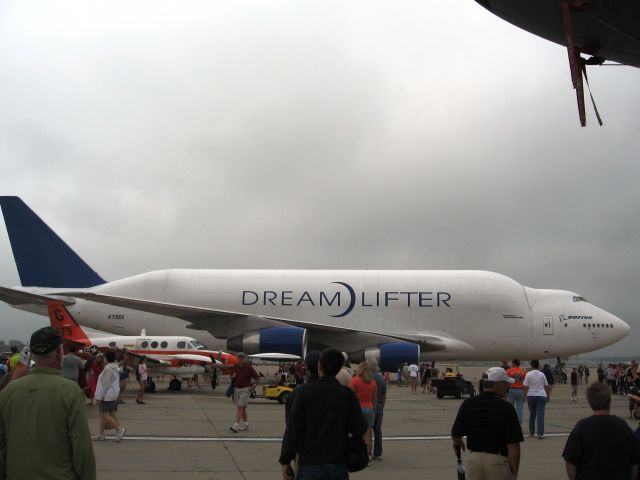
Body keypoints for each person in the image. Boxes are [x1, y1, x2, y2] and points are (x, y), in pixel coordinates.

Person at [0, 327, 96, 479]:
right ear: (59, 353)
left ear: (32, 353)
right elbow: (81, 448)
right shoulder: (70, 391)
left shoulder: (8, 391)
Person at [280, 348, 367, 480]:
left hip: (309, 463)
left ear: (320, 366)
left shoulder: (302, 393)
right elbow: (360, 427)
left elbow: (293, 429)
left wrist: (286, 459)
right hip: (338, 463)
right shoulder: (347, 394)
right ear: (339, 369)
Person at [451, 367, 523, 480]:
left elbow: (455, 433)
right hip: (498, 461)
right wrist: (514, 472)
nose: (507, 386)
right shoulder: (507, 407)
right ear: (497, 384)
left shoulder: (468, 403)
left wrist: (457, 442)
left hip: (474, 461)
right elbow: (513, 445)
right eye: (505, 383)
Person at [562, 383, 639, 480]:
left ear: (590, 403)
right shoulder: (623, 426)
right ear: (609, 402)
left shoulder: (582, 427)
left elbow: (570, 462)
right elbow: (635, 461)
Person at [94, 350, 126, 442]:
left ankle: (119, 429)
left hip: (107, 396)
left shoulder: (108, 369)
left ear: (106, 359)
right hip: (112, 395)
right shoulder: (114, 368)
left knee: (104, 415)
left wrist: (99, 397)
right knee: (103, 415)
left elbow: (104, 385)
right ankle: (101, 434)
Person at [349, 362, 377, 461]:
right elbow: (374, 399)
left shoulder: (354, 381)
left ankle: (357, 456)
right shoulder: (373, 382)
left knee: (356, 433)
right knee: (368, 435)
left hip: (358, 409)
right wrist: (374, 410)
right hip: (369, 408)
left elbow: (350, 397)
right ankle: (368, 457)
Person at [229, 352, 259, 433]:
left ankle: (236, 425)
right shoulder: (235, 367)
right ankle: (246, 424)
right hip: (236, 389)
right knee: (242, 408)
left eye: (242, 357)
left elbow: (257, 377)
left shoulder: (249, 367)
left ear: (245, 358)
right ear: (237, 358)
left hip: (245, 389)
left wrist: (254, 385)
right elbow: (231, 376)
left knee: (240, 406)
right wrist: (232, 376)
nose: (240, 359)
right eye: (239, 357)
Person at [523, 359, 550, 439]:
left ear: (531, 365)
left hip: (531, 395)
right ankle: (540, 434)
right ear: (538, 366)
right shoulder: (542, 374)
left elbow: (525, 386)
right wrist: (548, 396)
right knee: (540, 415)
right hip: (541, 395)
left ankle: (531, 432)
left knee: (532, 415)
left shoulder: (528, 374)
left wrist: (525, 396)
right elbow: (546, 386)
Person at [367, 357, 387, 461]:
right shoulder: (382, 379)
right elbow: (384, 397)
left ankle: (368, 452)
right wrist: (381, 407)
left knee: (368, 431)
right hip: (379, 408)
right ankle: (378, 453)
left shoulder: (367, 378)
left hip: (369, 407)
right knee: (378, 431)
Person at [506, 358, 526, 425]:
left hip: (512, 390)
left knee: (509, 408)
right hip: (520, 390)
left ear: (513, 363)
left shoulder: (509, 371)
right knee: (519, 409)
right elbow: (524, 382)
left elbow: (506, 381)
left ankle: (510, 423)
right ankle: (519, 424)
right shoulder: (523, 371)